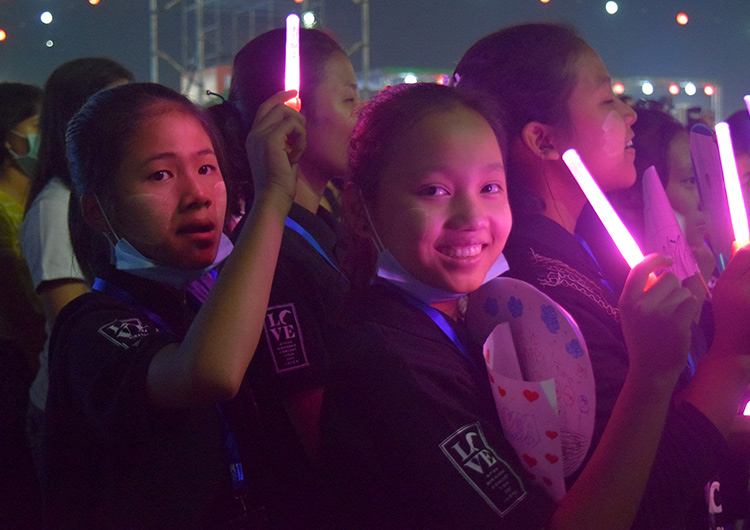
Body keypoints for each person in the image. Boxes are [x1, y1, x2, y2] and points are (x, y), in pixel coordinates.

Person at [319, 81, 722, 529]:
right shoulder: (391, 363)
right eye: (434, 191)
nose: (472, 218)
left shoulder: (466, 319)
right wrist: (651, 374)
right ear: (358, 209)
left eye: (491, 186)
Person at [453, 23, 750, 527]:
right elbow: (640, 493)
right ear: (543, 140)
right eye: (608, 100)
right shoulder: (539, 295)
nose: (631, 113)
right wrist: (733, 353)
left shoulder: (587, 252)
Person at [42, 81, 303, 529]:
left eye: (206, 167)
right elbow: (208, 373)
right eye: (160, 175)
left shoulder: (207, 295)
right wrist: (274, 194)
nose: (198, 194)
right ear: (96, 211)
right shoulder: (90, 326)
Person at [208, 27, 361, 526]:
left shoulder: (317, 223)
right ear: (288, 111)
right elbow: (314, 431)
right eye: (350, 100)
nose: (362, 121)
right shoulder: (273, 255)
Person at [20, 58, 134, 471]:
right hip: (74, 404)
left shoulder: (101, 192)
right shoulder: (54, 209)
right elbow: (75, 322)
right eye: (109, 107)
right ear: (73, 118)